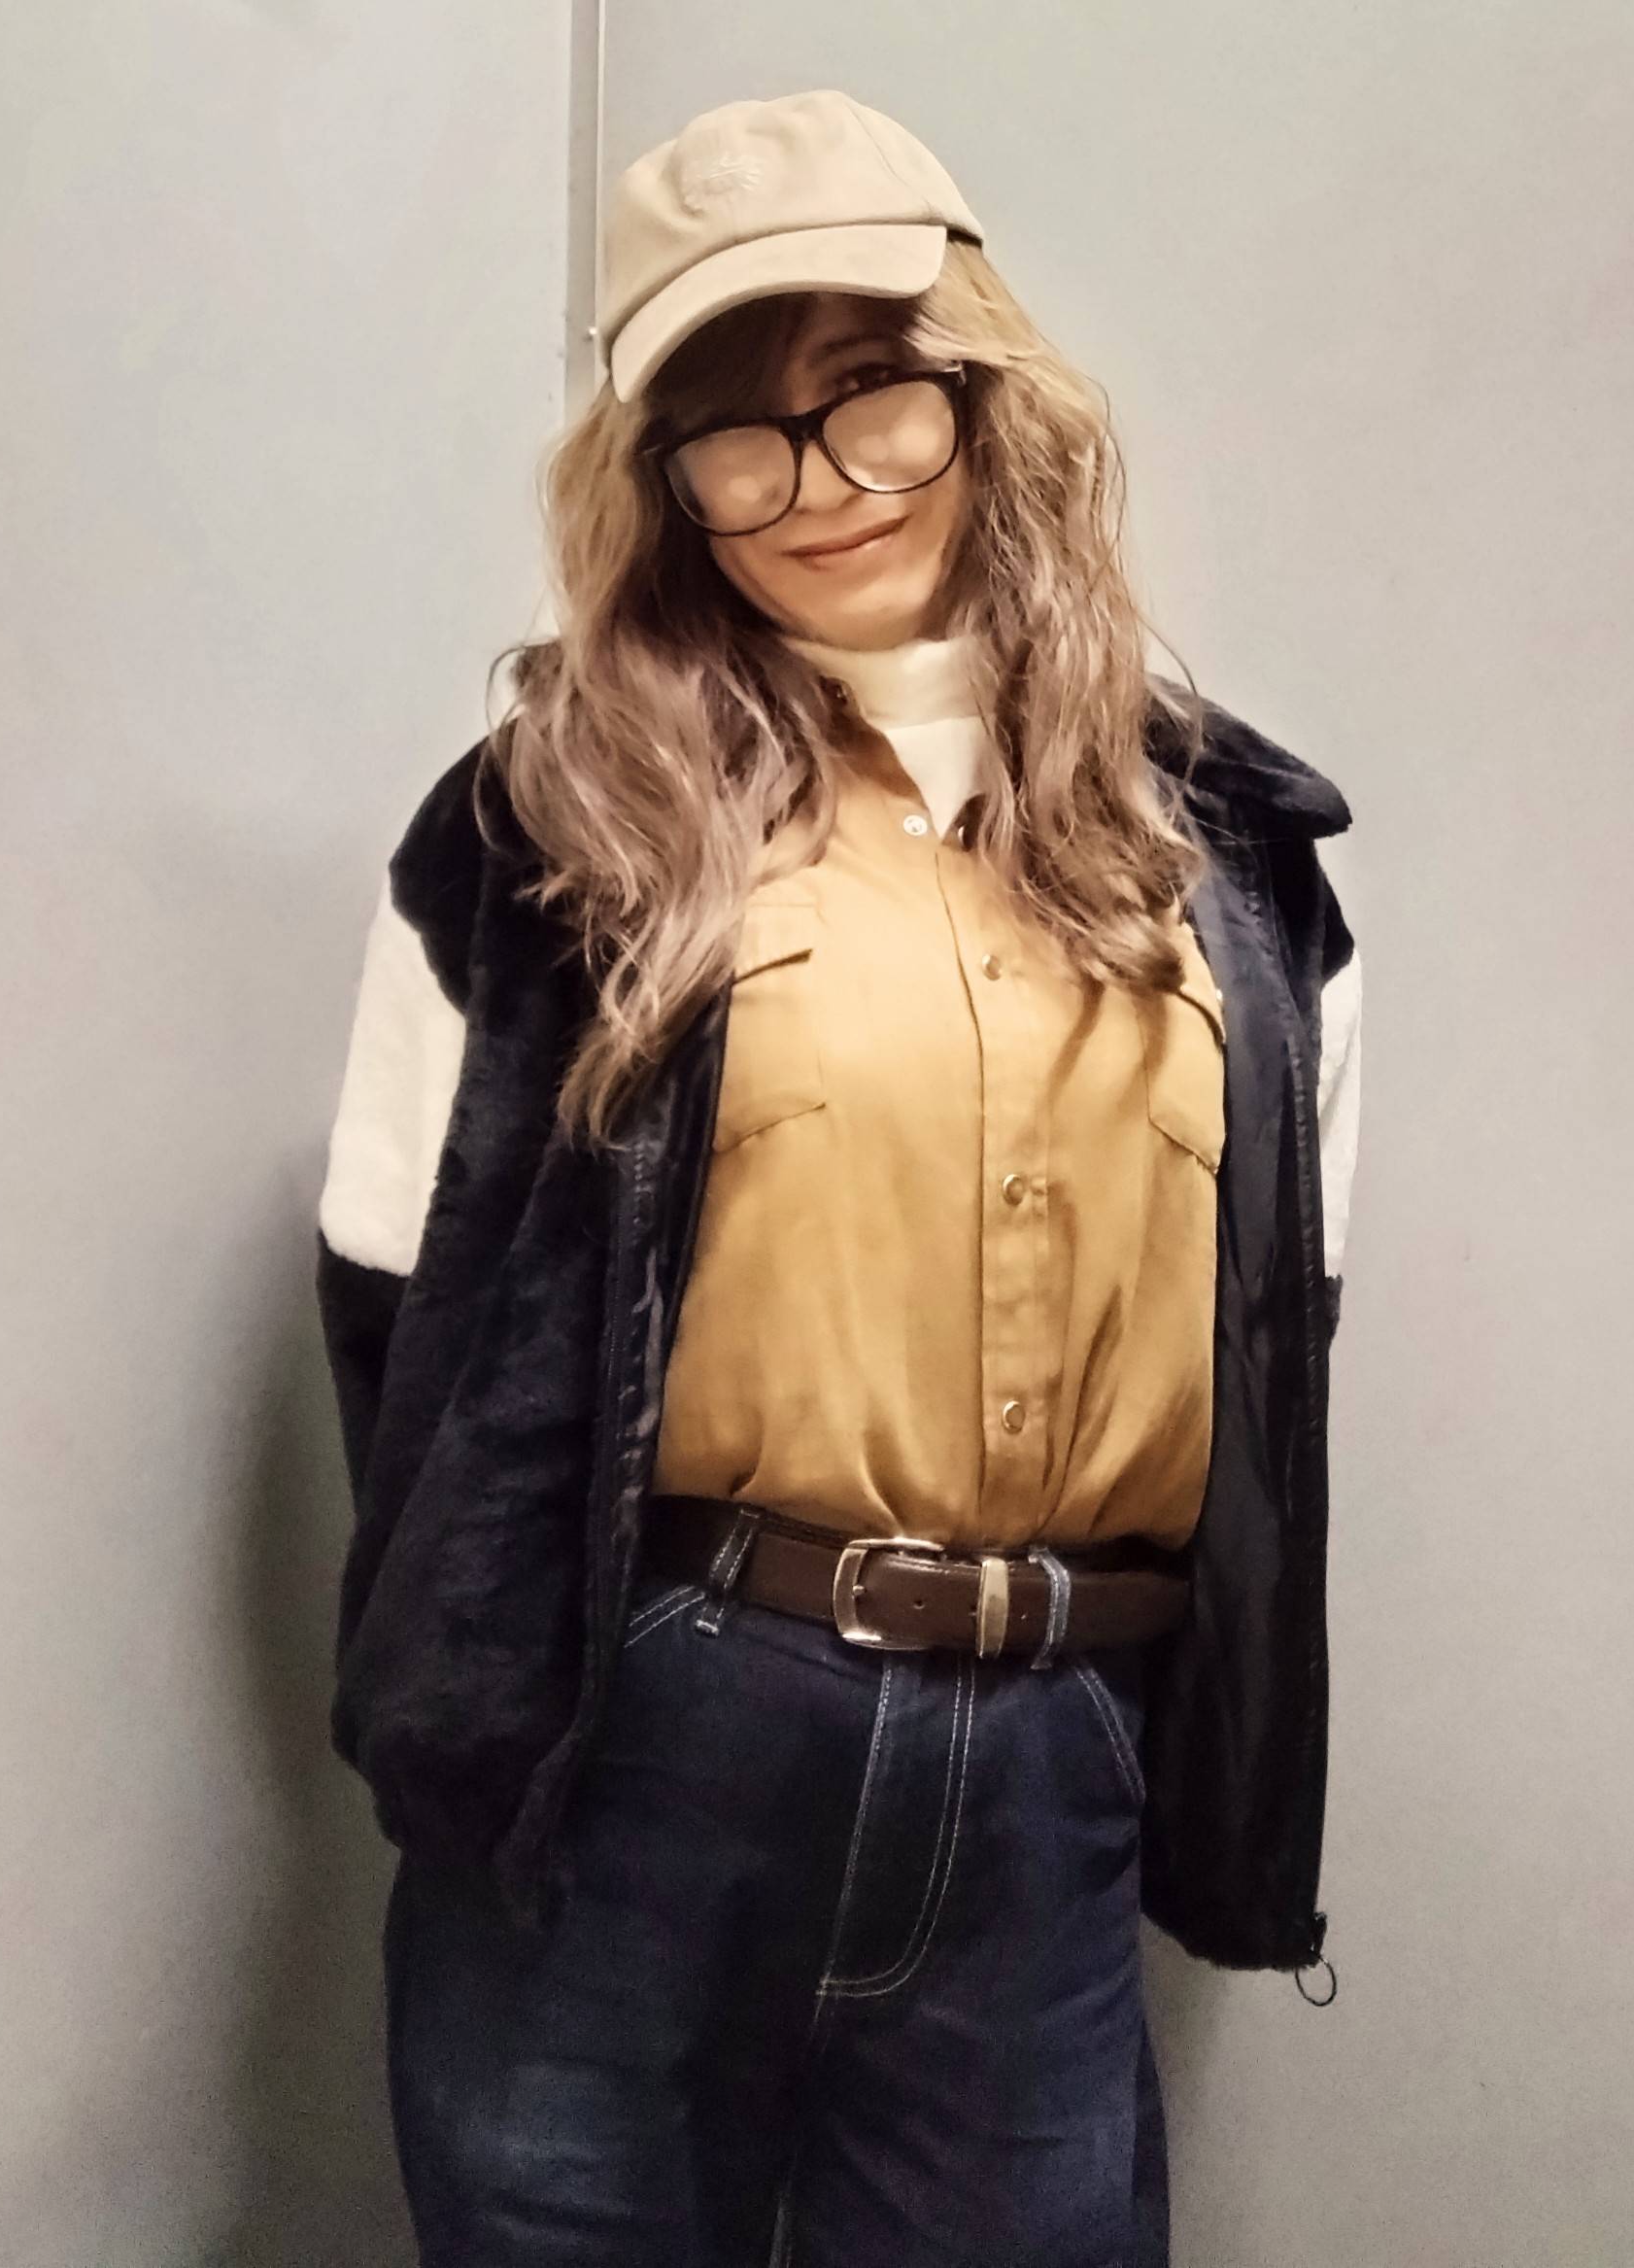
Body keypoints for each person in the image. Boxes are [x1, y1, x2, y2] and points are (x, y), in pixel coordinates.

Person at [313, 87, 1362, 2268]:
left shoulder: (1238, 868)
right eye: (736, 435)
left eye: (873, 393)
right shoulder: (533, 834)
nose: (818, 488)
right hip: (637, 1751)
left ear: (984, 393)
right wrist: (512, 1709)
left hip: (1049, 1765)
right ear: (660, 478)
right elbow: (399, 1328)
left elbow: (1279, 1338)